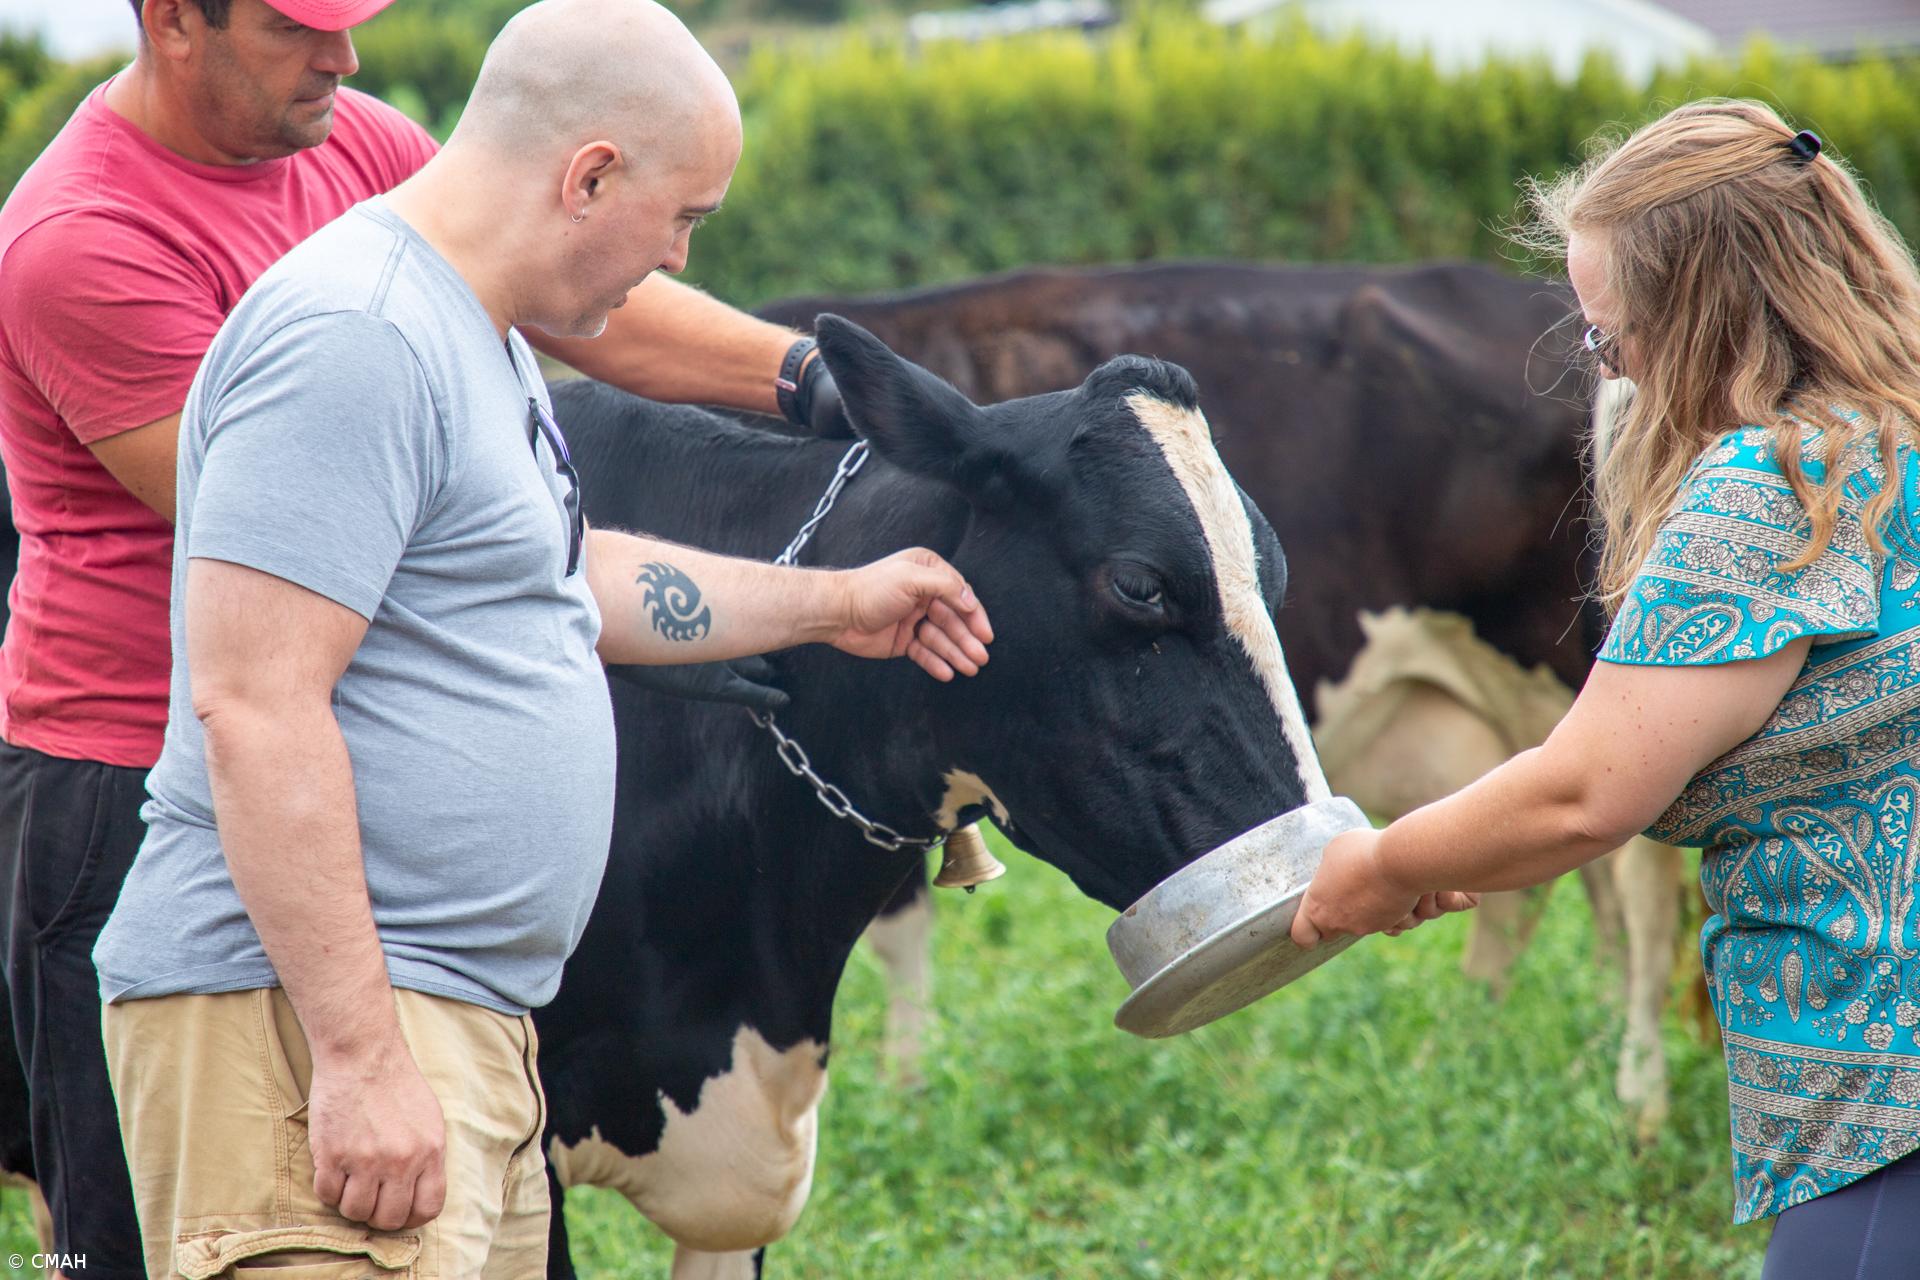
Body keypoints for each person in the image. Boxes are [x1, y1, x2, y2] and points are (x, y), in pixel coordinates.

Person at [86, 0, 993, 1272]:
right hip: (314, 1026)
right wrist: (357, 1054)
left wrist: (839, 603)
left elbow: (563, 580)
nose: (674, 261)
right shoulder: (357, 337)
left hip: (468, 1019)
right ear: (590, 175)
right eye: (683, 219)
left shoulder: (469, 331)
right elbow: (258, 705)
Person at [1291, 98, 1920, 1277]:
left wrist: (1376, 869)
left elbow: (1584, 792)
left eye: (1610, 335)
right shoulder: (1899, 435)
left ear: (1703, 315)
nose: (1607, 363)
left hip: (1893, 1084)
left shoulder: (1780, 485)